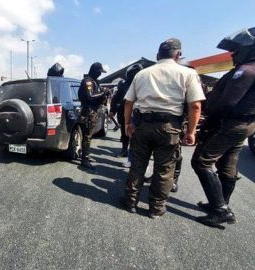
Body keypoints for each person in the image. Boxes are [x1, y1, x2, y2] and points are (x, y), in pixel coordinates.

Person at [191, 25, 255, 227]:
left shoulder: (248, 70)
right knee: (227, 164)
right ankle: (222, 202)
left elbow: (226, 103)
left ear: (254, 47)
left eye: (238, 50)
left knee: (201, 162)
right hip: (249, 122)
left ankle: (221, 210)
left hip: (231, 123)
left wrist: (207, 126)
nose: (234, 54)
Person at [120, 38, 205, 218]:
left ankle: (130, 202)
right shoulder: (187, 73)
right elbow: (195, 106)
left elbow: (128, 102)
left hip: (142, 125)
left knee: (138, 164)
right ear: (178, 54)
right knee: (164, 169)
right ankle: (156, 209)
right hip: (170, 127)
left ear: (157, 55)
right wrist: (190, 132)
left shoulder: (142, 74)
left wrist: (128, 123)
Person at [78, 62, 108, 170]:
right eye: (99, 72)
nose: (100, 75)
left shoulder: (94, 81)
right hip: (88, 111)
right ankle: (84, 159)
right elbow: (89, 96)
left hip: (92, 111)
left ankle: (86, 156)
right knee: (87, 136)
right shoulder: (88, 82)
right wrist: (103, 94)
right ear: (95, 71)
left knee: (89, 135)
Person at [110, 63, 143, 157]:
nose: (135, 74)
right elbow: (116, 98)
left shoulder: (144, 83)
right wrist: (113, 110)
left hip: (140, 113)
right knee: (125, 132)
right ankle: (125, 150)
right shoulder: (124, 85)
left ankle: (136, 155)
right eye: (134, 73)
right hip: (125, 112)